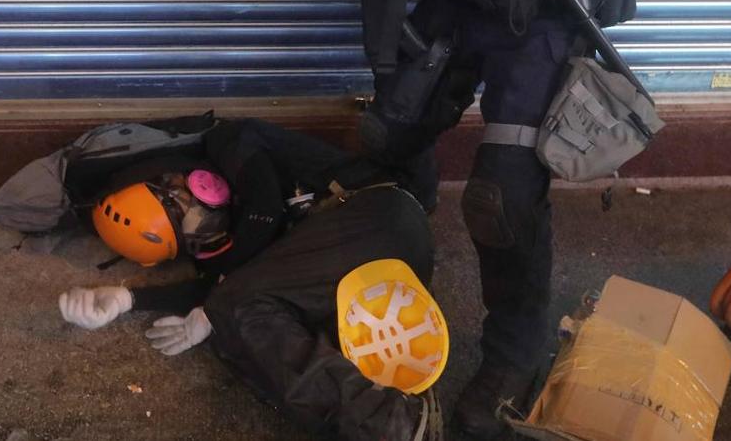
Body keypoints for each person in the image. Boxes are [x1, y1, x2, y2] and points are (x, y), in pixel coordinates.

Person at [253, 0, 664, 438]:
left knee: (499, 199)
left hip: (538, 7)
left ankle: (514, 357)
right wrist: (395, 84)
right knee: (390, 133)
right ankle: (398, 255)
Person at [58, 119, 446, 441]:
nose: (204, 226)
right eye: (190, 238)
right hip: (365, 283)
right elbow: (233, 286)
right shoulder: (230, 248)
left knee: (233, 309)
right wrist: (126, 300)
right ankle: (377, 419)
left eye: (181, 206)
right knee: (237, 338)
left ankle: (394, 424)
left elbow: (266, 211)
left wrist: (218, 300)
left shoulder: (229, 140)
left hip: (379, 219)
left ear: (178, 178)